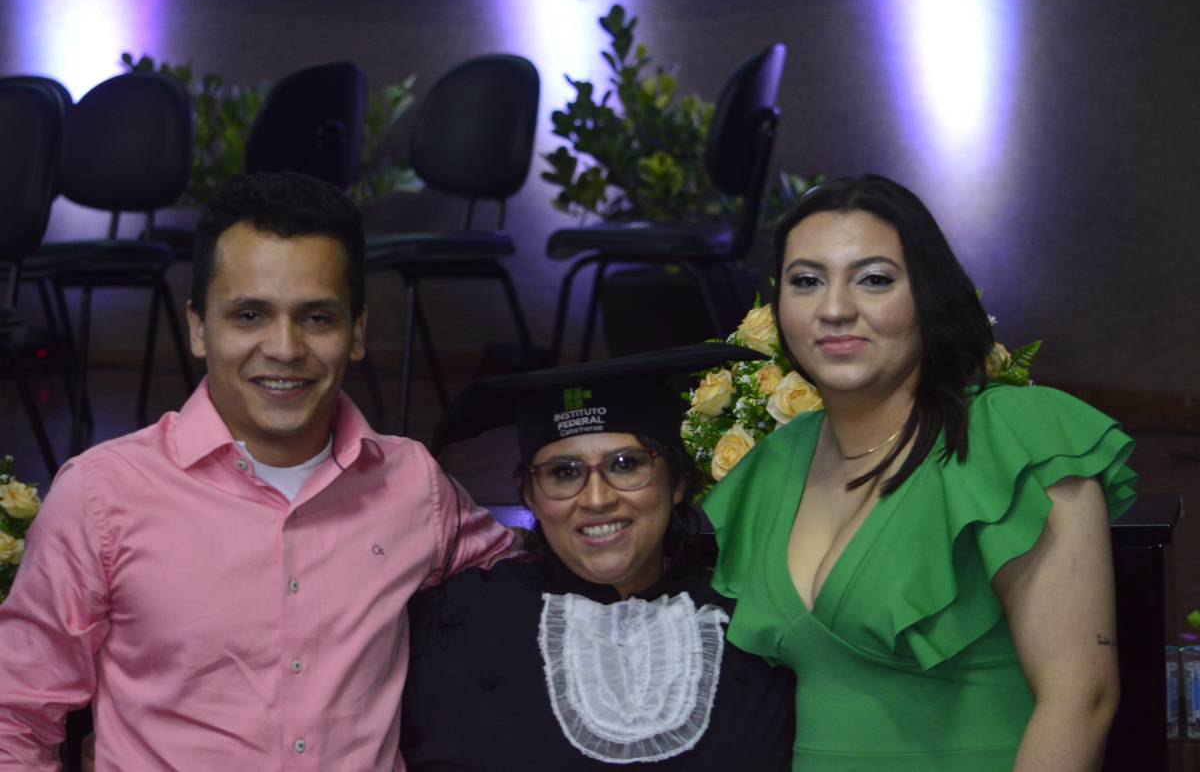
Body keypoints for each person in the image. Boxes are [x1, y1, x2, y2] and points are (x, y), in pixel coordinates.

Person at [0, 172, 518, 770]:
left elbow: (524, 585)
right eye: (249, 315)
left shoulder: (411, 485)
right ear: (199, 327)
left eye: (317, 318)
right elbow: (15, 715)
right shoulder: (101, 496)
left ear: (356, 332)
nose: (285, 348)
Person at [701, 174, 1137, 771]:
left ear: (928, 294)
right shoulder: (775, 463)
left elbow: (1082, 698)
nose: (835, 309)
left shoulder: (1013, 437)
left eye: (874, 279)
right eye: (806, 281)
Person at [400, 344, 796, 770]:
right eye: (563, 473)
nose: (596, 499)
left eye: (625, 465)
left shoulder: (750, 614)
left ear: (678, 482)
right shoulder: (465, 621)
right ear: (529, 495)